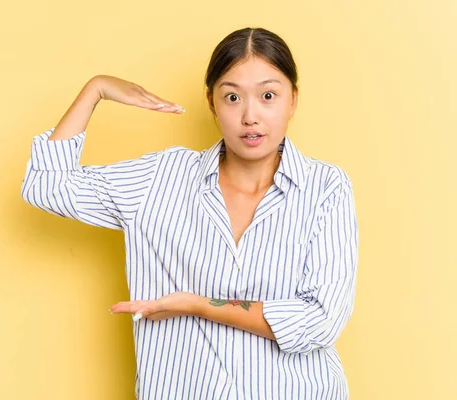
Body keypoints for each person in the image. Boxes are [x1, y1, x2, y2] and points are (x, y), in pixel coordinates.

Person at [21, 27, 358, 400]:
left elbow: (320, 321)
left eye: (267, 96)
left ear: (292, 100)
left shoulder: (325, 187)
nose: (250, 116)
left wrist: (198, 305)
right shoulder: (160, 179)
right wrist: (96, 89)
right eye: (232, 97)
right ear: (212, 103)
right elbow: (46, 186)